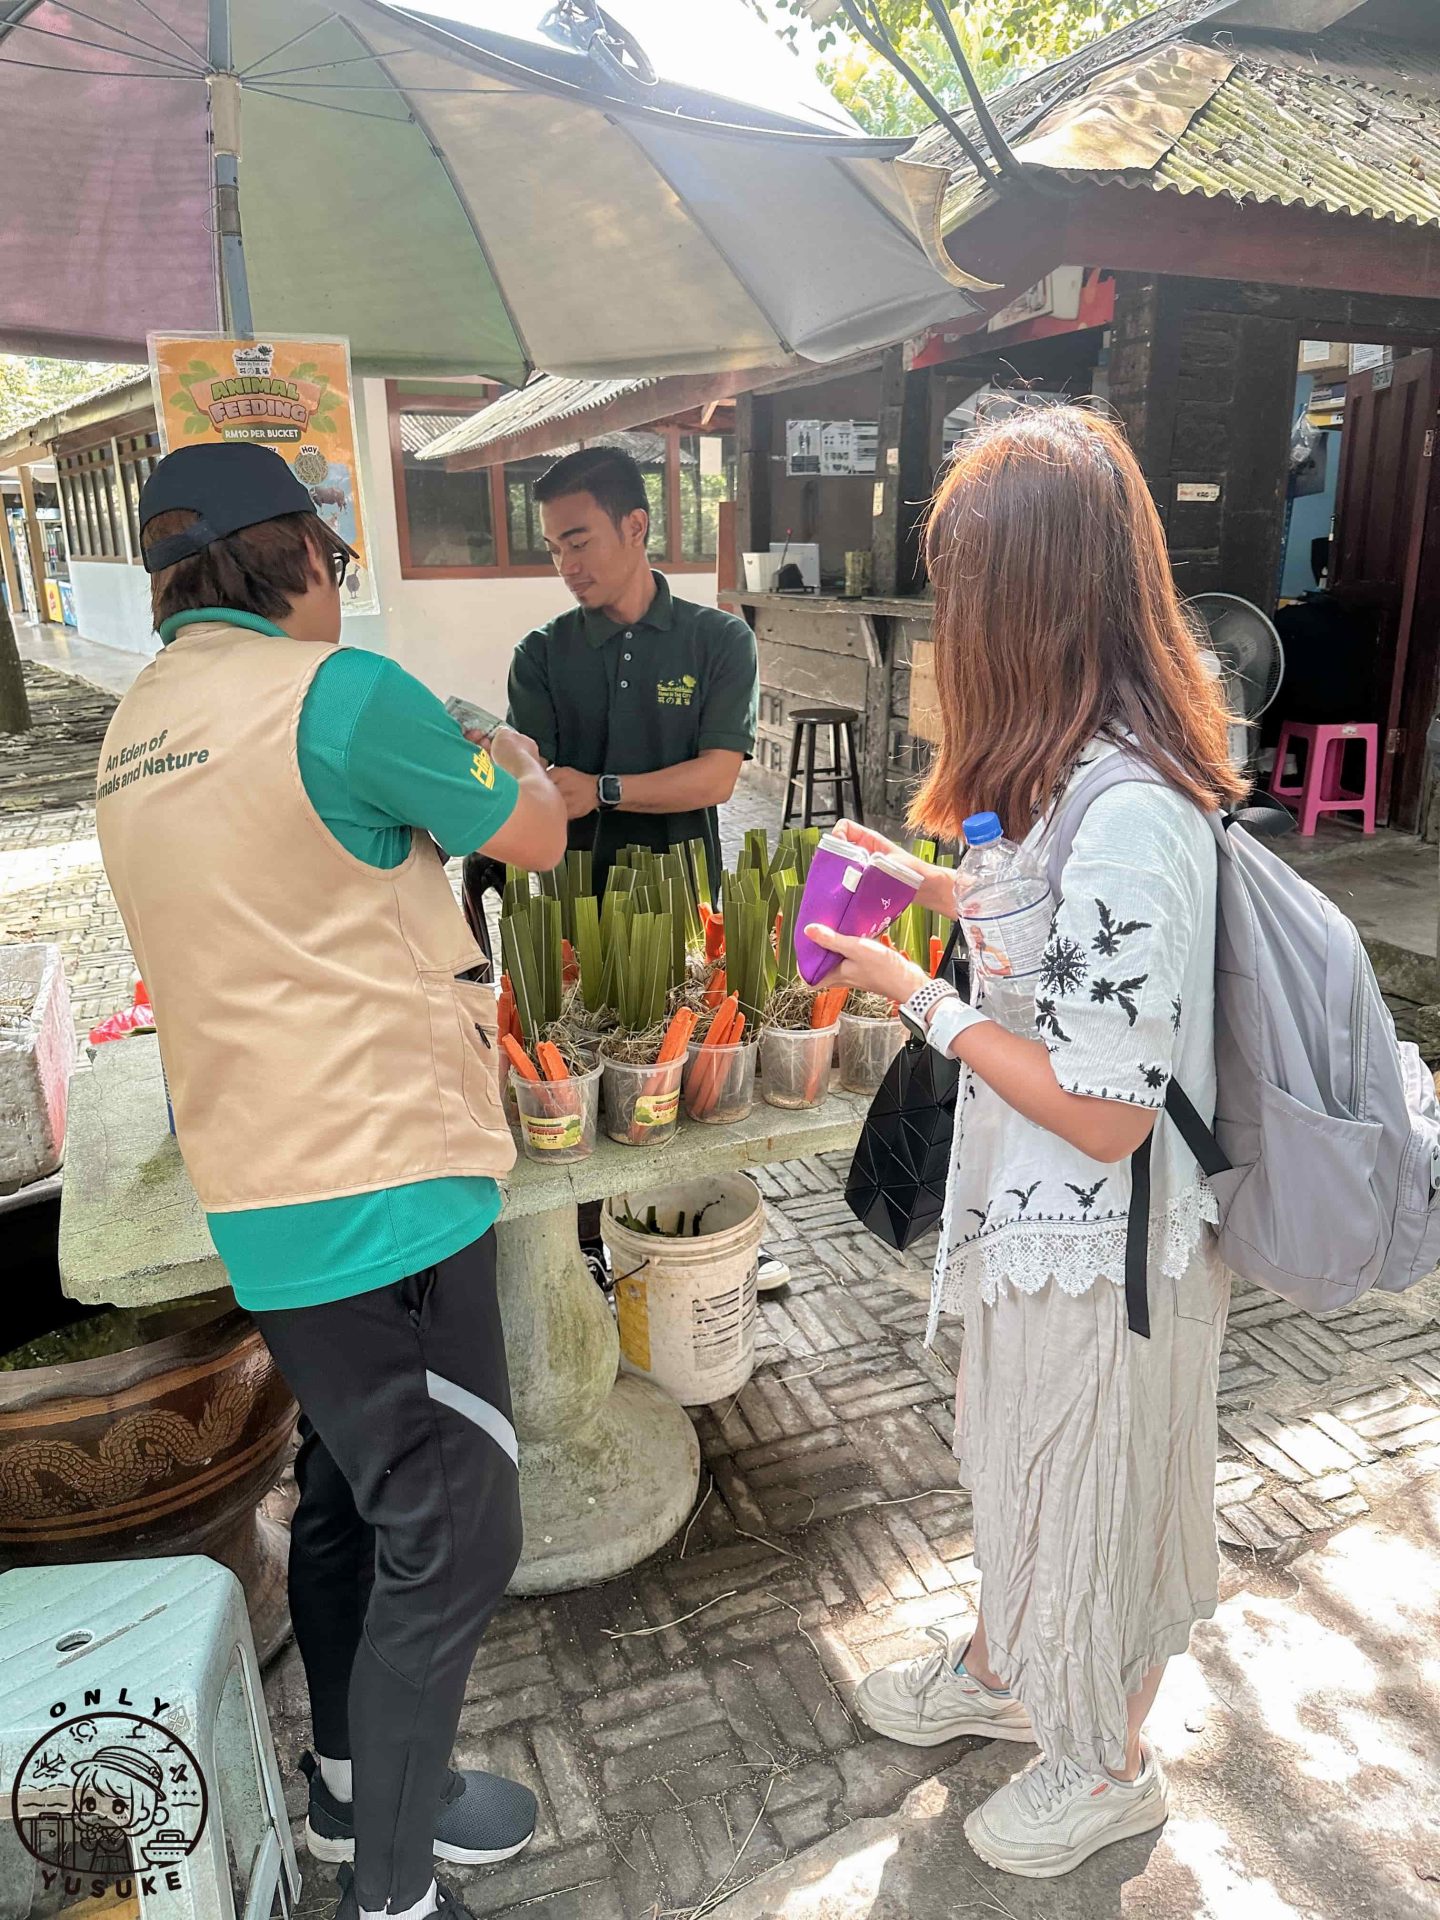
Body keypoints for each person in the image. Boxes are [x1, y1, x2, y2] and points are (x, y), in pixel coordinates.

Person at [94, 443, 568, 1920]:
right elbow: (535, 832)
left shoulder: (134, 732)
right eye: (335, 561)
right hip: (390, 1183)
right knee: (459, 1530)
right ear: (297, 555)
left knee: (361, 1497)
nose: (336, 590)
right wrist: (511, 750)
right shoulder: (342, 694)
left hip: (266, 1192)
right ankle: (393, 1892)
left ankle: (356, 1789)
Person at [806, 405, 1242, 1880]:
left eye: (964, 586)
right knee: (1020, 1463)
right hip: (1032, 1222)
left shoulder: (1130, 810)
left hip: (1103, 1240)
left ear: (1035, 599)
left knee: (1098, 1486)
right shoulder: (1079, 771)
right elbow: (1050, 954)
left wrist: (913, 996)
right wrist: (926, 884)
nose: (948, 622)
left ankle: (1106, 1762)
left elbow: (1109, 1108)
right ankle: (1008, 1672)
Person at [500, 444, 789, 1288]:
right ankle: (591, 1246)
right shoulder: (542, 655)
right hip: (574, 902)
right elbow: (540, 792)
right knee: (581, 1075)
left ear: (637, 526)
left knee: (693, 1061)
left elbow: (718, 777)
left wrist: (605, 789)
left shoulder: (717, 639)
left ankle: (707, 1224)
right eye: (554, 547)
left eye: (579, 540)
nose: (567, 565)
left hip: (684, 900)